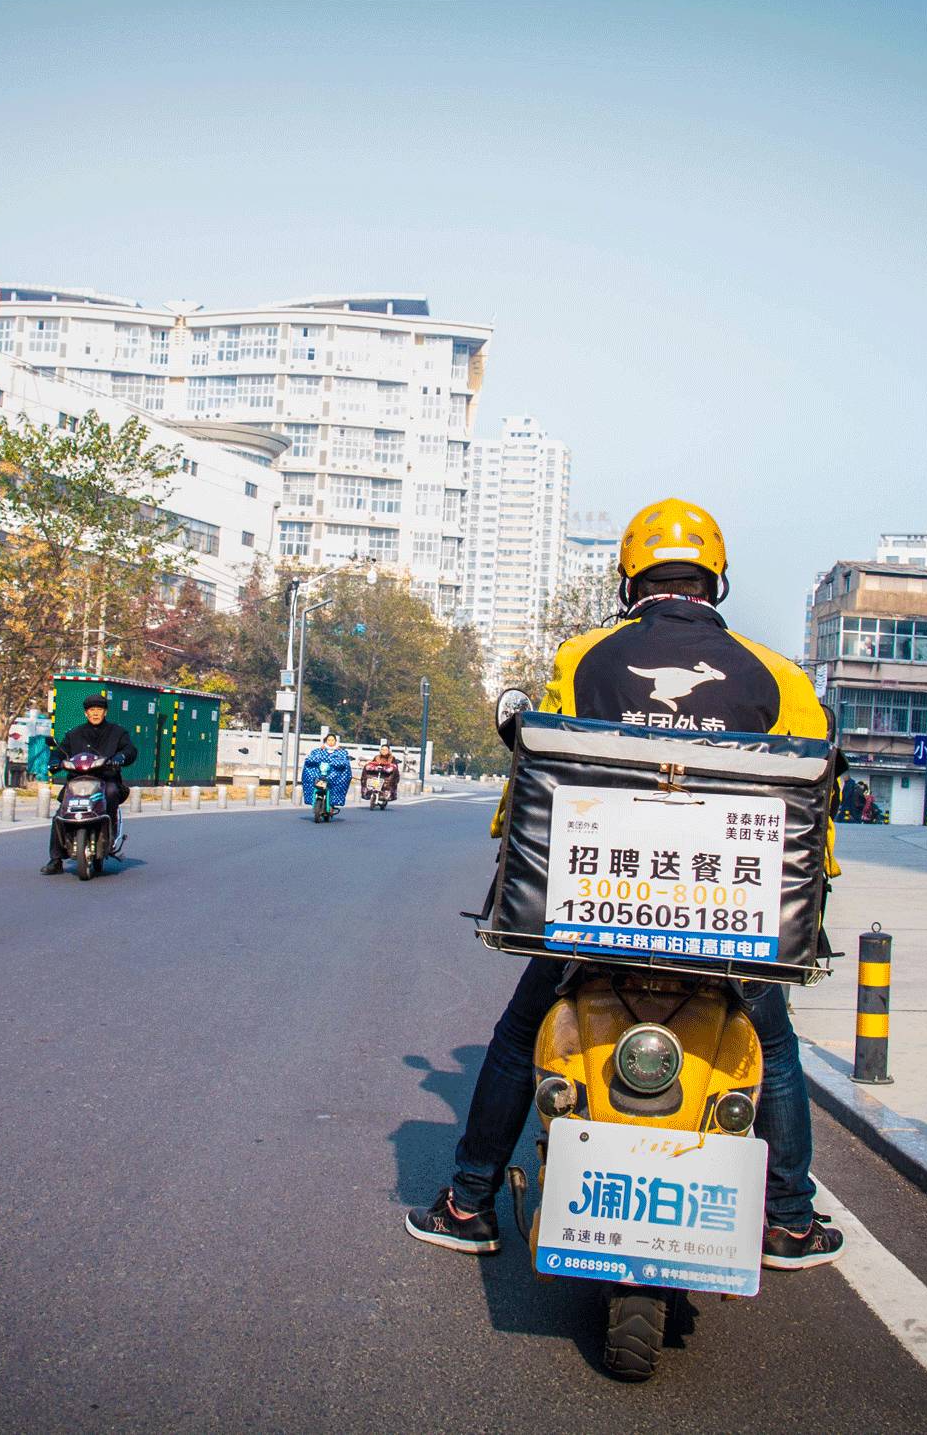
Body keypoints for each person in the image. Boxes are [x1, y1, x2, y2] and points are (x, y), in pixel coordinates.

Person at [405, 496, 846, 1271]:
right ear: (716, 579)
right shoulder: (778, 674)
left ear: (628, 578)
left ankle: (468, 1202)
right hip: (731, 920)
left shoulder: (584, 658)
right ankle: (788, 1220)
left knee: (517, 1034)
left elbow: (541, 780)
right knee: (774, 1049)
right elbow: (816, 806)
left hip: (595, 910)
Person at [42, 693, 134, 874]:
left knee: (112, 792)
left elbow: (130, 749)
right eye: (91, 710)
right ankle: (56, 859)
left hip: (105, 779)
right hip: (78, 780)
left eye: (99, 709)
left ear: (105, 711)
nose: (95, 713)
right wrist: (54, 762)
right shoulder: (74, 734)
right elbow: (60, 752)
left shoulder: (117, 732)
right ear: (86, 713)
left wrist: (120, 757)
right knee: (60, 814)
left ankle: (110, 831)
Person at [301, 731, 352, 810]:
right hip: (319, 774)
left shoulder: (341, 752)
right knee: (310, 777)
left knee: (341, 779)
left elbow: (344, 762)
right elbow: (310, 758)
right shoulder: (318, 751)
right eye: (329, 740)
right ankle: (312, 799)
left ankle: (334, 801)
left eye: (332, 740)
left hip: (334, 776)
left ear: (335, 741)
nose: (331, 742)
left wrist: (334, 763)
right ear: (325, 741)